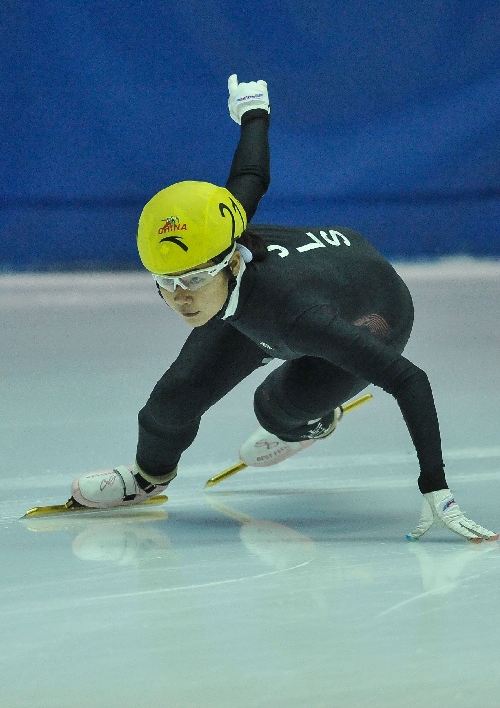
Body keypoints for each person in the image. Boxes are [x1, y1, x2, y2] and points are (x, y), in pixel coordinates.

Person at [72, 75, 498, 543]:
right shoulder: (223, 227)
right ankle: (147, 480)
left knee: (277, 410)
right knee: (169, 404)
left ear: (231, 261)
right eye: (167, 283)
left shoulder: (295, 317)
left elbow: (409, 380)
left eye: (194, 279)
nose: (181, 297)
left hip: (373, 310)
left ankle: (317, 421)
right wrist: (254, 110)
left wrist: (435, 486)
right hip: (305, 283)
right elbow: (251, 175)